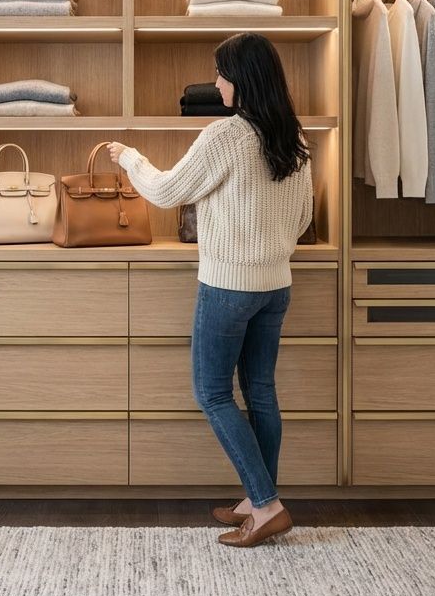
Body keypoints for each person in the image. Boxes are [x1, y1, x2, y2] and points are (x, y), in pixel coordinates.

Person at [108, 32, 313, 548]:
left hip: (228, 286)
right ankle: (257, 495)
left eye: (222, 73)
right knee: (261, 392)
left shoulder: (225, 136)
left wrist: (129, 157)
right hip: (276, 286)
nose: (217, 82)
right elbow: (305, 214)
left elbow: (164, 191)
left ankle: (266, 506)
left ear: (241, 79)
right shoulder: (294, 137)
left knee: (212, 392)